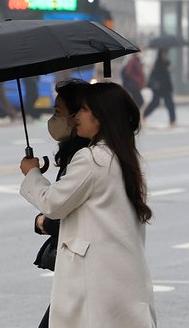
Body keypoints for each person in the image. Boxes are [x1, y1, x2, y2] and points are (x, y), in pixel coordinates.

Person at [19, 81, 156, 327]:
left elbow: (53, 204)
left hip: (94, 281)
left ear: (101, 116)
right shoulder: (126, 158)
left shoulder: (92, 158)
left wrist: (32, 174)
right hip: (122, 277)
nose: (75, 118)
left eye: (82, 110)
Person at [31, 79, 93, 328]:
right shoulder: (80, 155)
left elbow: (58, 208)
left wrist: (32, 175)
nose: (53, 119)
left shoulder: (88, 159)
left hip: (83, 269)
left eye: (58, 112)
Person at [142, 50, 175, 127]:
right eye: (164, 53)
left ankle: (172, 120)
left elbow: (167, 75)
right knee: (155, 103)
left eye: (166, 53)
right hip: (158, 87)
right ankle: (144, 115)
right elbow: (156, 75)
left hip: (166, 87)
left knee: (170, 104)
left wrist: (169, 69)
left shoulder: (167, 62)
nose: (165, 55)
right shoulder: (157, 63)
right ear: (160, 54)